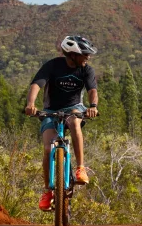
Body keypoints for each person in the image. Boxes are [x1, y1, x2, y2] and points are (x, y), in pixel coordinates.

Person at [25, 35, 99, 211]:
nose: (87, 58)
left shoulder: (86, 70)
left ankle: (80, 168)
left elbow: (92, 90)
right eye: (84, 54)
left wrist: (93, 106)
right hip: (50, 110)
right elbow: (37, 85)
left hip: (74, 107)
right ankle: (48, 191)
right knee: (47, 148)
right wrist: (30, 104)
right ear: (72, 55)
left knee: (74, 121)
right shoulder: (53, 65)